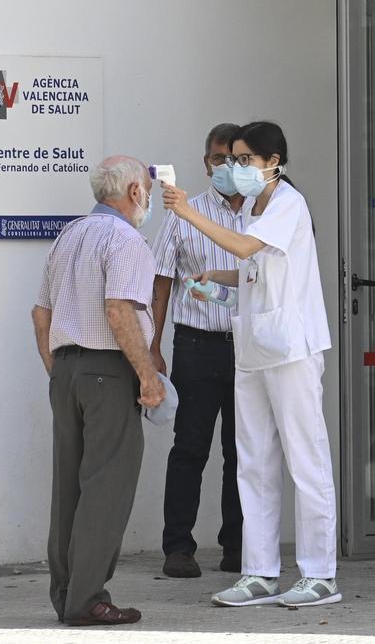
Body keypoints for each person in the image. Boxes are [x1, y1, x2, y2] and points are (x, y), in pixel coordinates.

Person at [161, 122, 340, 608]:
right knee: (254, 462)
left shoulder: (287, 204)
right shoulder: (255, 210)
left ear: (273, 161)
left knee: (306, 460)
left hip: (292, 350)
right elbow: (248, 269)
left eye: (245, 160)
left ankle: (320, 574)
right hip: (254, 348)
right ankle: (259, 572)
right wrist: (210, 278)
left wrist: (183, 210)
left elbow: (245, 249)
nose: (236, 169)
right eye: (232, 160)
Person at [31, 155, 166, 626]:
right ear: (134, 192)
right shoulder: (125, 239)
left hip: (66, 370)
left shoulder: (70, 235)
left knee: (68, 487)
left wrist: (59, 371)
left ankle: (68, 593)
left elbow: (40, 315)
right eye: (145, 191)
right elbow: (119, 310)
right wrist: (147, 374)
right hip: (108, 372)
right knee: (107, 487)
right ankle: (88, 598)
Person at [150, 123, 245, 578]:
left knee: (242, 450)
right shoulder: (184, 213)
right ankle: (178, 548)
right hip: (197, 345)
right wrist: (152, 344)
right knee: (190, 447)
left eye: (233, 158)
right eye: (216, 159)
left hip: (249, 346)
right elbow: (160, 279)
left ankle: (238, 547)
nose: (224, 167)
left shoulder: (265, 214)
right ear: (205, 161)